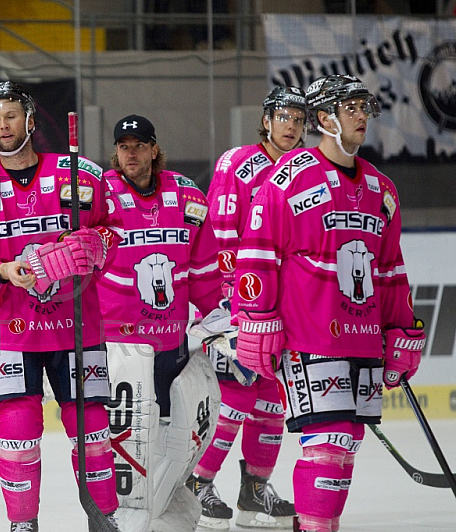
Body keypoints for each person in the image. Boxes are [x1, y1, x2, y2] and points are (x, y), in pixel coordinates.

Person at [233, 75, 425, 532]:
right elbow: (257, 251)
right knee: (328, 441)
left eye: (364, 107)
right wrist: (258, 319)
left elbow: (391, 269)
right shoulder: (291, 177)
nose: (362, 116)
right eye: (351, 107)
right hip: (308, 335)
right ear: (324, 118)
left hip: (362, 336)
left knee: (347, 442)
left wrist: (402, 329)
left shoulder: (382, 190)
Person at [0, 81, 121, 532]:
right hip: (9, 328)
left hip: (76, 326)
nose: (3, 126)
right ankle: (23, 524)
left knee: (93, 429)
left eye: (11, 116)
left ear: (29, 119)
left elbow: (112, 230)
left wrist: (94, 244)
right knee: (18, 430)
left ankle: (104, 518)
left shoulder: (78, 174)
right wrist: (3, 271)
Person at [97, 114, 228, 530]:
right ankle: (122, 517)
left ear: (154, 149)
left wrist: (219, 319)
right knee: (127, 441)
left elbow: (205, 268)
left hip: (169, 343)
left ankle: (166, 508)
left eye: (138, 145)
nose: (130, 153)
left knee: (171, 437)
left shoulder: (187, 194)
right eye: (123, 146)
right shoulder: (100, 196)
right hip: (117, 347)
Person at [188, 85, 306, 530]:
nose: (291, 127)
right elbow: (221, 230)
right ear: (267, 118)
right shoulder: (238, 162)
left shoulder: (305, 168)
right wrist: (234, 298)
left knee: (273, 403)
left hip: (287, 305)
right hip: (242, 300)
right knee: (235, 396)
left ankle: (255, 491)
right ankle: (199, 481)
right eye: (284, 117)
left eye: (299, 119)